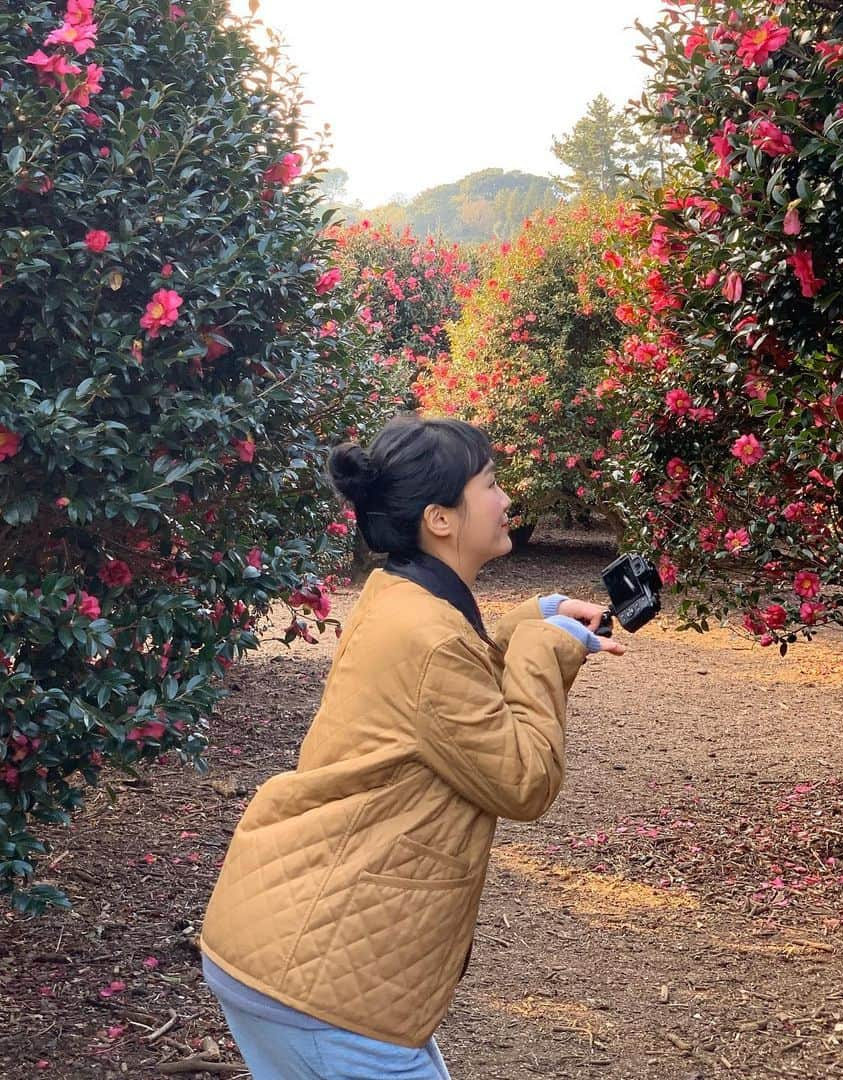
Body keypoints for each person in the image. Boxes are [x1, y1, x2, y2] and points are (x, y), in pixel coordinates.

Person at [200, 413, 625, 1079]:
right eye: (489, 483)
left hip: (300, 952)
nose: (507, 498)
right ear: (441, 519)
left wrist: (521, 624)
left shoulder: (402, 595)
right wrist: (544, 651)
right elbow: (523, 780)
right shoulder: (427, 633)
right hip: (321, 976)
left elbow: (441, 690)